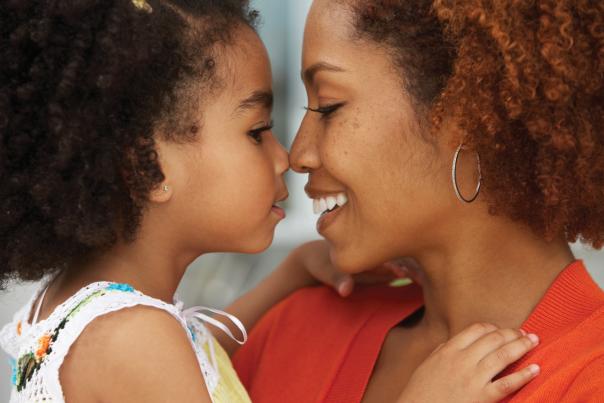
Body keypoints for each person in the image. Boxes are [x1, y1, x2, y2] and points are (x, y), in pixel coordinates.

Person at [0, 0, 540, 402]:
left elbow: (200, 354)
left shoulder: (88, 314)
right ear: (150, 165)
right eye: (258, 131)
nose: (287, 156)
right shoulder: (134, 340)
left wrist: (290, 275)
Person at [233, 0, 604, 402]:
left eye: (328, 106)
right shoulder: (295, 327)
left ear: (464, 113)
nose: (299, 155)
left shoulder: (589, 380)